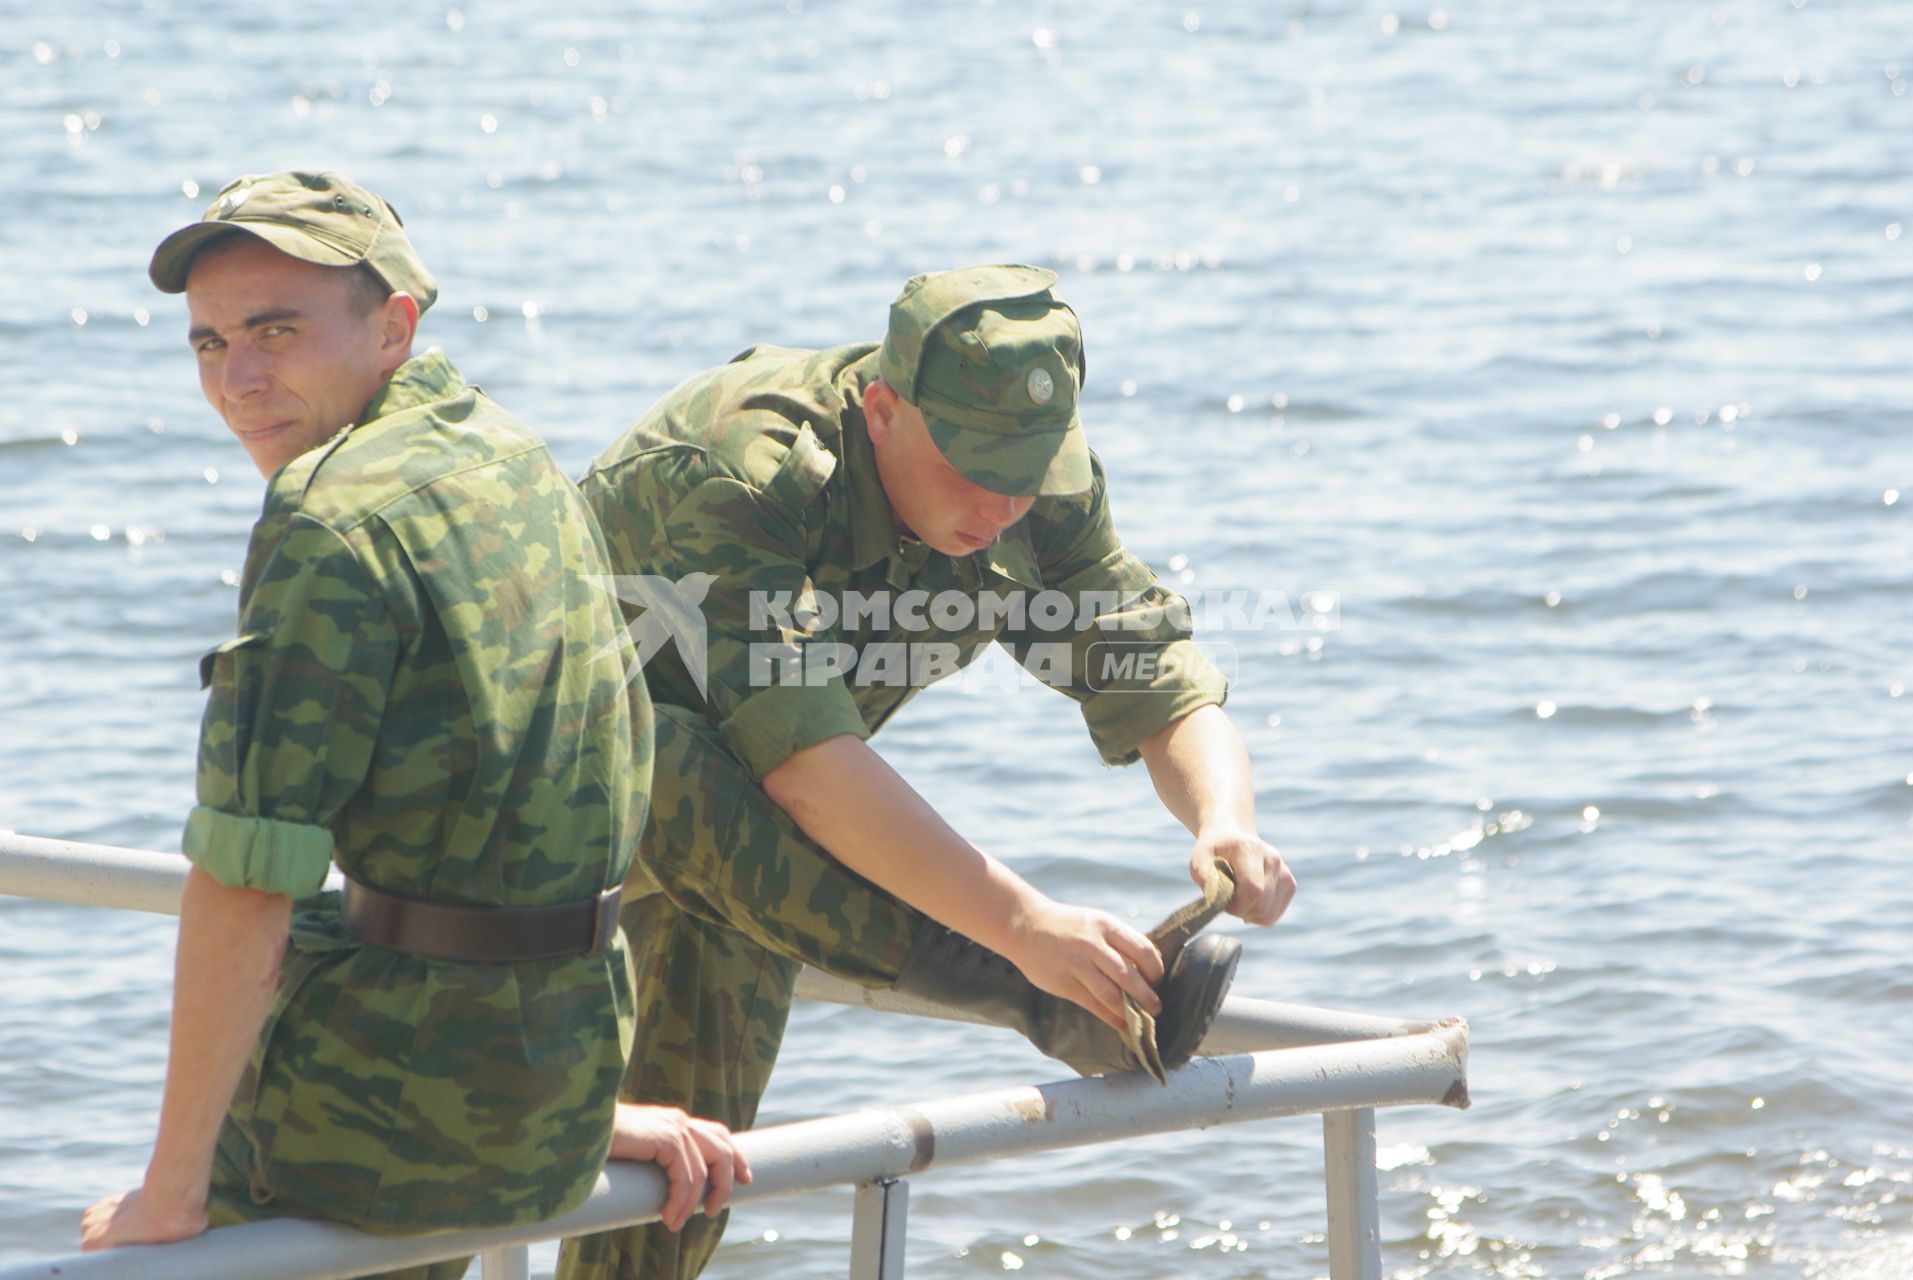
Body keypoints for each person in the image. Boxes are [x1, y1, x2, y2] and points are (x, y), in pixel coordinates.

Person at [558, 264, 1297, 1280]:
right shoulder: (753, 471)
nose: (1002, 504)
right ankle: (1067, 1007)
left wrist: (1224, 819)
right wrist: (1026, 936)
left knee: (685, 1176)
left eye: (1026, 470)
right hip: (525, 809)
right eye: (974, 468)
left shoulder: (1031, 487)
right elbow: (808, 768)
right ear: (882, 411)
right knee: (675, 759)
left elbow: (1150, 673)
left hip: (748, 855)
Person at [80, 171, 747, 1278]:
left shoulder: (328, 519)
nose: (237, 381)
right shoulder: (512, 457)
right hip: (557, 1088)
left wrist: (172, 1189)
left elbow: (252, 876)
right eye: (206, 344)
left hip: (388, 1125)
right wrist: (585, 1110)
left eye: (276, 332)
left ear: (394, 326)